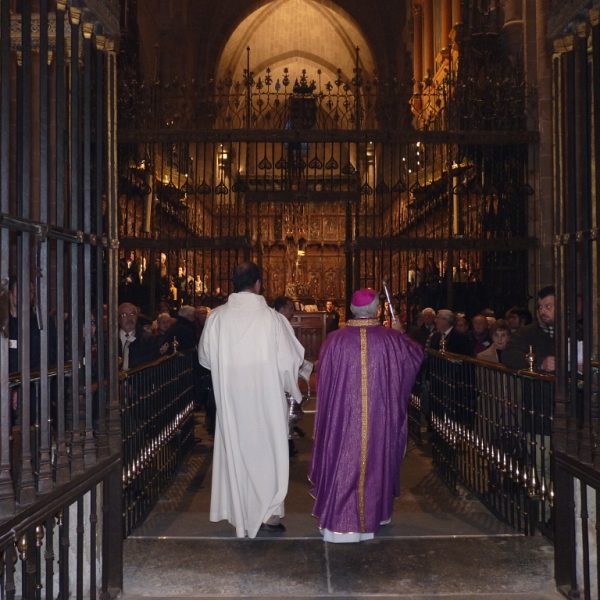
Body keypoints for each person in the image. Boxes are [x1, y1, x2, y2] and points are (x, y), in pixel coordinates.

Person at [198, 261, 304, 538]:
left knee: (235, 448)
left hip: (231, 400)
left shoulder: (217, 318)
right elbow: (290, 362)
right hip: (265, 401)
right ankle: (268, 514)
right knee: (267, 452)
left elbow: (205, 359)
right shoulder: (273, 319)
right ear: (258, 284)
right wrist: (295, 384)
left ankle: (239, 514)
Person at [309, 288, 423, 543]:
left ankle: (337, 524)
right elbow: (415, 357)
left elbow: (324, 384)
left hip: (343, 419)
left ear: (351, 309)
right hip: (377, 418)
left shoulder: (334, 340)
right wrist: (402, 333)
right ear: (377, 309)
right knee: (374, 460)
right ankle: (371, 518)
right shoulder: (392, 339)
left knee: (344, 458)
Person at [502, 287, 555, 373]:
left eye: (548, 306)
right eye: (540, 307)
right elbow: (508, 355)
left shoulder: (577, 331)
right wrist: (540, 363)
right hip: (539, 384)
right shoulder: (526, 333)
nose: (542, 311)